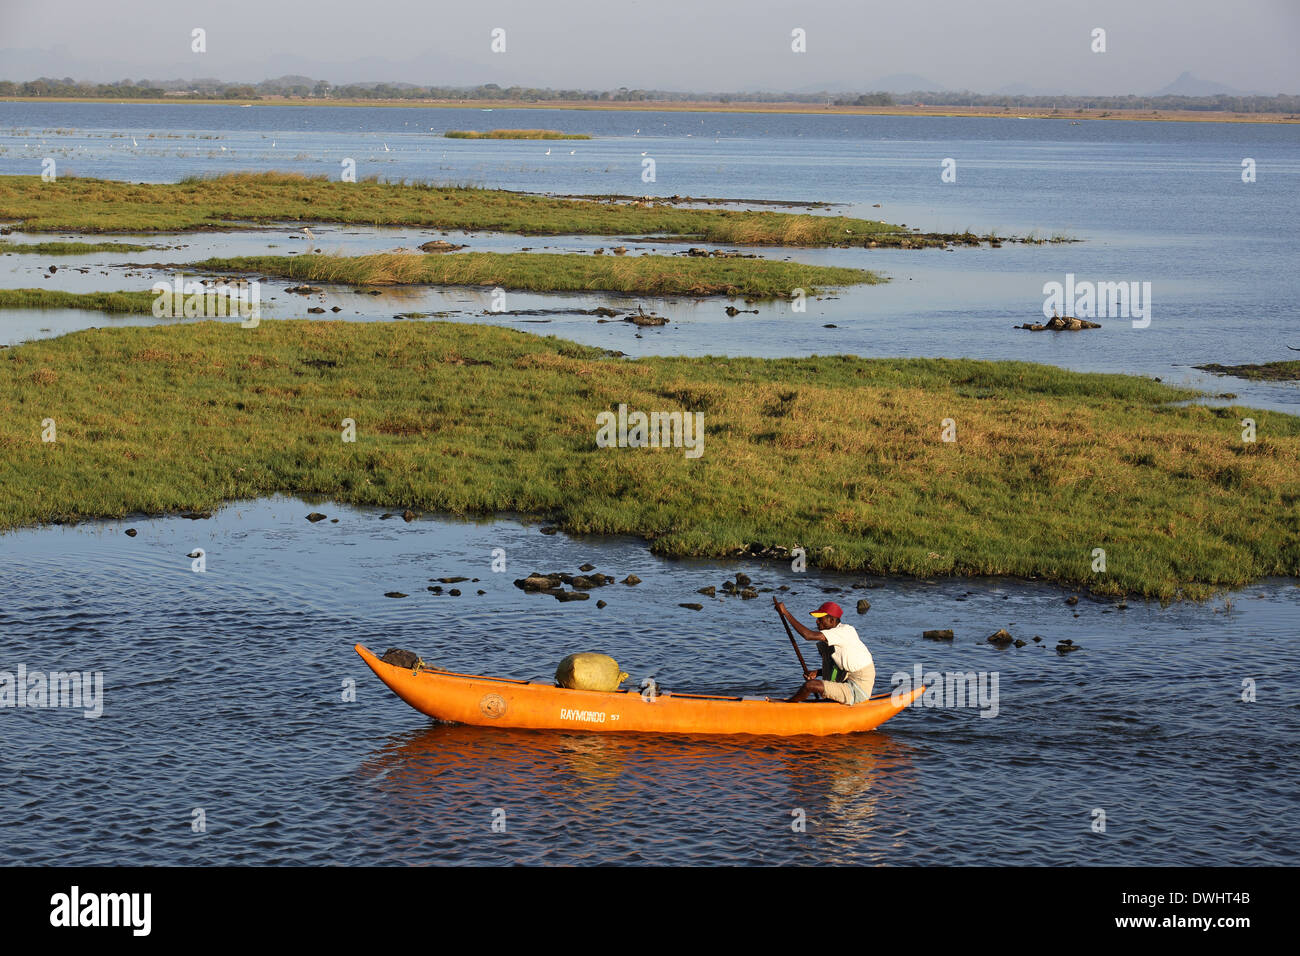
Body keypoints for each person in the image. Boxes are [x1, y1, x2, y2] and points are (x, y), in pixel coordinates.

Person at [774, 598, 875, 705]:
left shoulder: (844, 631)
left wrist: (786, 613)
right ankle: (827, 700)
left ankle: (787, 705)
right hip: (847, 678)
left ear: (832, 620)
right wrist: (817, 672)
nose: (817, 621)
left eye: (820, 619)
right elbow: (838, 665)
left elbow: (808, 635)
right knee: (825, 650)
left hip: (858, 688)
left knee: (810, 686)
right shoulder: (830, 637)